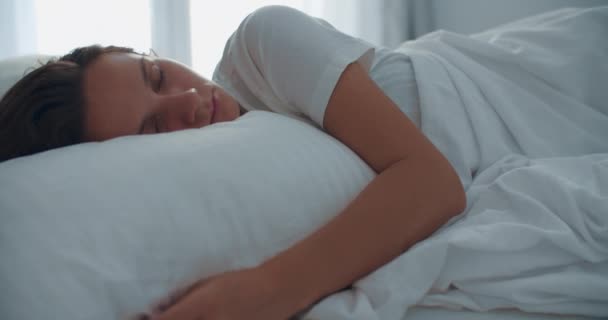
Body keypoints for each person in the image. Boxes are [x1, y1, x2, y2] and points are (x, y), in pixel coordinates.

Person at [7, 4, 571, 320]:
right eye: (153, 127)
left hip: (552, 78)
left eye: (156, 75)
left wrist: (262, 291)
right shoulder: (236, 179)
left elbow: (433, 183)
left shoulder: (259, 45)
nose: (183, 102)